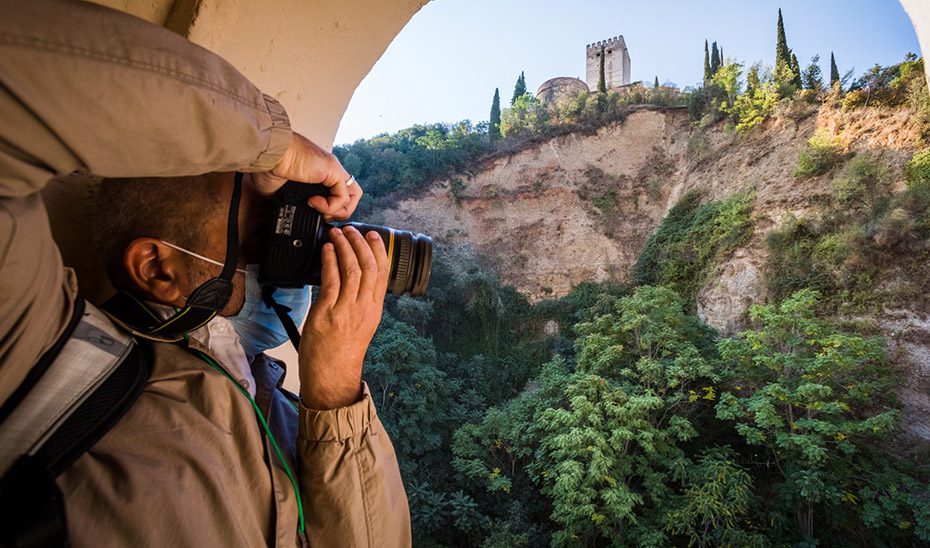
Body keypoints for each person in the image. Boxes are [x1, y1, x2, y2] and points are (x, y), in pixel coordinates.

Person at [0, 0, 410, 546]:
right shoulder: (41, 353)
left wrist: (334, 395)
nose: (285, 251)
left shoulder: (286, 414)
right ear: (156, 267)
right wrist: (273, 147)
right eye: (255, 227)